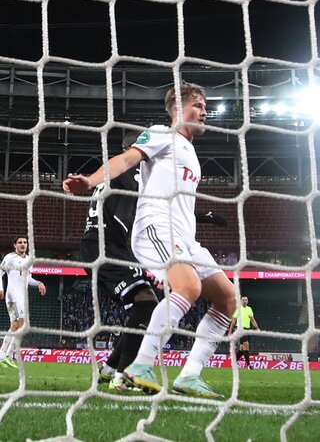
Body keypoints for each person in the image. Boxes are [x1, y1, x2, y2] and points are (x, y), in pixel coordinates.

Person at [63, 82, 237, 398]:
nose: (204, 111)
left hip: (185, 237)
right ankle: (138, 367)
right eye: (198, 105)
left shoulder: (190, 152)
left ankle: (190, 375)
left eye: (205, 106)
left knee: (227, 299)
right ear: (177, 108)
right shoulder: (161, 134)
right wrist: (90, 180)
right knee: (188, 287)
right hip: (156, 227)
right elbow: (125, 160)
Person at [79, 131, 160, 391]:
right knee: (147, 303)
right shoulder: (131, 168)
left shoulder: (117, 172)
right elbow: (158, 207)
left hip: (99, 245)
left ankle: (110, 368)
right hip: (106, 245)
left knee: (143, 308)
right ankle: (124, 374)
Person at [0, 236, 47, 367]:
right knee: (23, 326)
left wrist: (39, 283)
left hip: (21, 297)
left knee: (14, 327)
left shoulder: (29, 260)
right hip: (13, 296)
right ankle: (9, 355)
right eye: (20, 242)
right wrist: (0, 287)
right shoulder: (10, 258)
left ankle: (2, 355)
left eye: (25, 242)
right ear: (15, 245)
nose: (23, 244)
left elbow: (28, 278)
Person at [229, 296, 260, 370]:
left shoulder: (249, 309)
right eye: (243, 300)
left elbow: (252, 319)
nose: (244, 301)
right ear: (240, 301)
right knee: (246, 345)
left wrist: (257, 327)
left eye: (246, 300)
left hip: (247, 330)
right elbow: (233, 320)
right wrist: (230, 331)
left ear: (247, 301)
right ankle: (249, 365)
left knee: (242, 348)